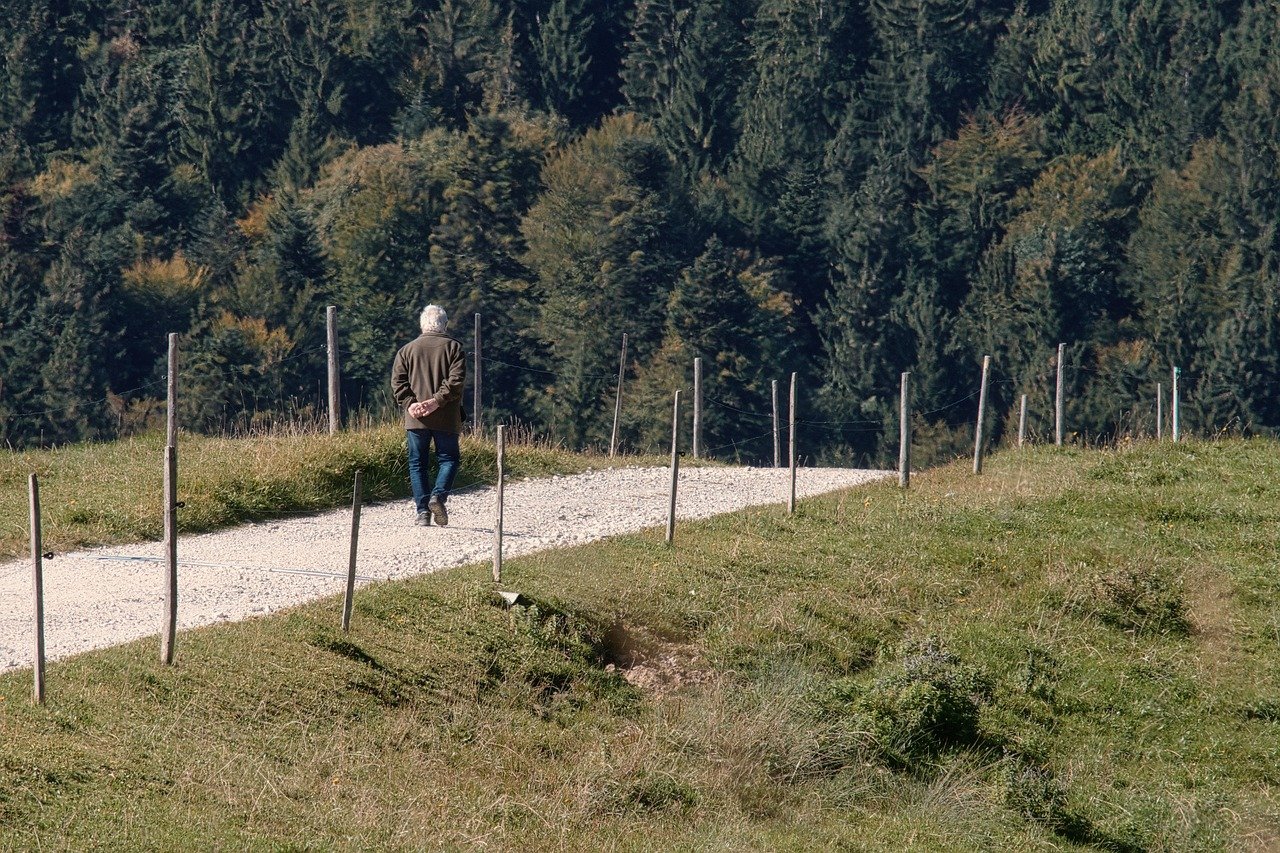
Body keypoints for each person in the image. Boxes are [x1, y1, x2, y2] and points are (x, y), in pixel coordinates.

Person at [391, 304, 466, 526]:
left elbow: (398, 382)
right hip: (446, 417)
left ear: (422, 325)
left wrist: (410, 404)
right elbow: (456, 382)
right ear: (445, 324)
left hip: (416, 419)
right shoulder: (454, 348)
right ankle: (438, 496)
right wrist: (436, 402)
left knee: (417, 464)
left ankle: (422, 512)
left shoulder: (406, 350)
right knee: (449, 459)